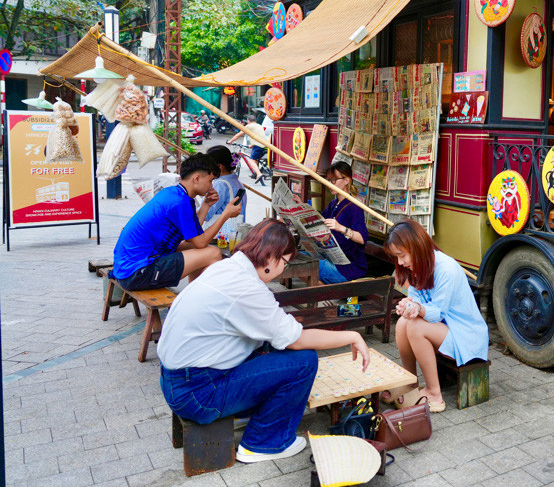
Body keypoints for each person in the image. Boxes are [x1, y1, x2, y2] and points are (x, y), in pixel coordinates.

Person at [157, 219, 371, 463]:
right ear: (273, 258)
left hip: (178, 381)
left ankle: (253, 413)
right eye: (286, 263)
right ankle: (263, 443)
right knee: (304, 361)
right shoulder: (247, 287)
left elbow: (276, 331)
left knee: (269, 346)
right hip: (198, 394)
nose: (284, 270)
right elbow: (297, 339)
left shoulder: (227, 268)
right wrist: (352, 335)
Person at [379, 219, 488, 413]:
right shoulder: (419, 265)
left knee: (414, 326)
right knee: (403, 322)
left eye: (402, 255)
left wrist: (417, 309)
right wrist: (408, 305)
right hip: (447, 329)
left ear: (416, 246)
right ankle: (411, 383)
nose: (401, 262)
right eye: (398, 257)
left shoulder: (446, 268)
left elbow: (437, 312)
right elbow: (415, 298)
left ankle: (434, 394)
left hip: (467, 336)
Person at [112, 153, 242, 292]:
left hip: (126, 268)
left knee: (195, 247)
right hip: (137, 273)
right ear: (197, 178)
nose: (211, 186)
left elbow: (194, 235)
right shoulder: (181, 202)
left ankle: (193, 294)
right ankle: (197, 297)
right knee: (214, 253)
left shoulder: (174, 193)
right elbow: (201, 242)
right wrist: (225, 215)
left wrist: (206, 205)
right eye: (210, 181)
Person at [317, 161, 369, 283]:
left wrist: (342, 228)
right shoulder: (333, 204)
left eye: (334, 180)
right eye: (329, 180)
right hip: (332, 258)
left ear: (346, 180)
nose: (330, 184)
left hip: (348, 268)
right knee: (304, 257)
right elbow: (319, 221)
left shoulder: (354, 207)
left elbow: (362, 238)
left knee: (315, 265)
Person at [204, 145, 246, 225]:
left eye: (208, 165)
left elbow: (206, 214)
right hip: (236, 232)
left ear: (219, 166)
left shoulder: (220, 184)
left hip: (221, 234)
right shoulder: (236, 182)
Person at [229, 114, 268, 180]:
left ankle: (259, 174)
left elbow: (238, 135)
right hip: (263, 146)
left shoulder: (249, 126)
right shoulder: (259, 125)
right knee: (255, 159)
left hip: (258, 146)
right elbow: (259, 136)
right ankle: (255, 173)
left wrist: (230, 141)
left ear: (248, 120)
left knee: (251, 161)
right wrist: (252, 145)